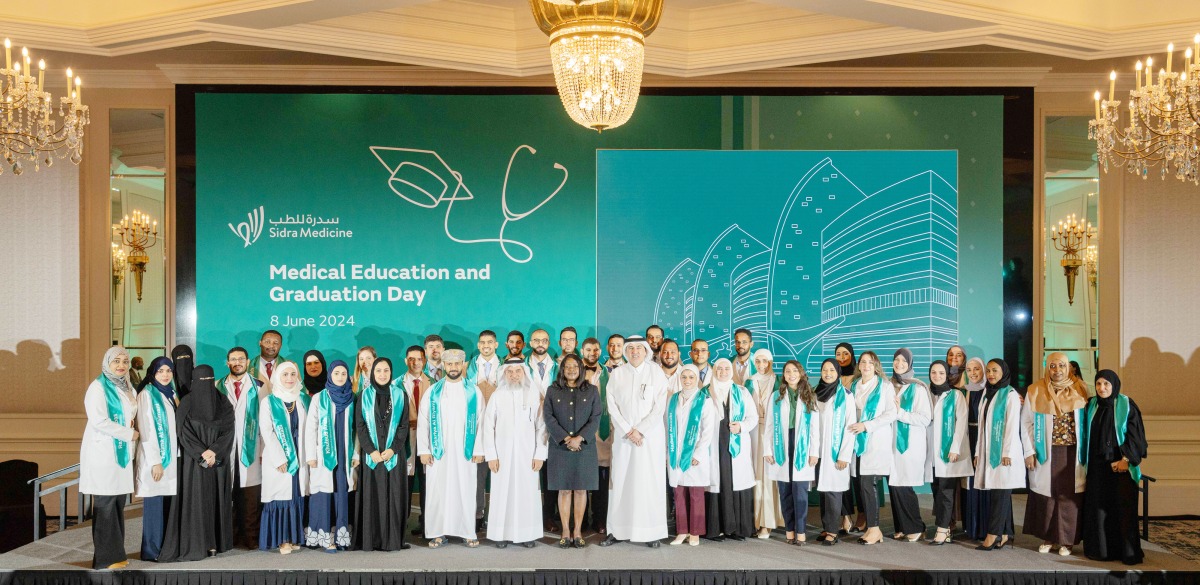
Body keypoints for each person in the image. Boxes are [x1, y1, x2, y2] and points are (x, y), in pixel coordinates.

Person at [158, 365, 235, 562]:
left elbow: (229, 430)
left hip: (217, 462)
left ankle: (215, 543)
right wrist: (202, 453)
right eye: (201, 380)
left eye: (209, 379)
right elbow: (183, 432)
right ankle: (199, 543)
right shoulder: (186, 403)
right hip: (194, 463)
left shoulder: (222, 401)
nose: (205, 384)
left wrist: (214, 451)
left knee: (216, 499)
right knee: (198, 501)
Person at [600, 335, 669, 548]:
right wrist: (629, 430)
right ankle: (617, 530)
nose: (635, 352)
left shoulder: (656, 372)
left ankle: (651, 532)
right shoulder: (617, 374)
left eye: (639, 348)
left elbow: (660, 406)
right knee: (621, 481)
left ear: (646, 350)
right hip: (624, 439)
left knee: (650, 484)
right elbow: (611, 405)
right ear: (626, 352)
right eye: (631, 349)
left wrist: (641, 430)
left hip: (649, 439)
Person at [1022, 352, 1089, 556]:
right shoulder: (1035, 390)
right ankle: (1049, 537)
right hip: (1046, 451)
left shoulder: (1081, 389)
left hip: (1072, 452)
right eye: (1053, 366)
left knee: (1069, 496)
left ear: (1068, 367)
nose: (1057, 370)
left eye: (1061, 366)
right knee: (1047, 495)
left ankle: (1067, 541)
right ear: (1047, 368)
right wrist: (1029, 451)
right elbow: (1026, 422)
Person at [418, 349, 485, 548]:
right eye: (449, 364)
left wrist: (479, 449)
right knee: (438, 491)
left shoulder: (474, 391)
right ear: (444, 366)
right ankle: (438, 532)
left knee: (465, 489)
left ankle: (467, 531)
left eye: (457, 364)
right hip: (439, 453)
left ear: (463, 365)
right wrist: (424, 450)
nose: (453, 368)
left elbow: (481, 420)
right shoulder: (433, 391)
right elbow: (423, 422)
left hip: (466, 452)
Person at [81, 346, 139, 569]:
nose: (121, 365)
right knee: (105, 507)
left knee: (117, 505)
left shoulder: (127, 387)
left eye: (125, 361)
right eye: (116, 361)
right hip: (104, 454)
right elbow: (98, 421)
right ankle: (105, 559)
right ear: (107, 363)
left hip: (122, 454)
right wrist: (129, 433)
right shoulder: (97, 387)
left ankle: (117, 555)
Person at [1082, 370, 1146, 565]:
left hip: (1120, 468)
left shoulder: (1126, 405)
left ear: (1115, 385)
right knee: (1098, 509)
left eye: (1106, 384)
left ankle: (1126, 552)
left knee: (1122, 510)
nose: (1102, 388)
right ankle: (1100, 551)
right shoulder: (1091, 405)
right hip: (1097, 468)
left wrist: (1126, 460)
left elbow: (1136, 436)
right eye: (1099, 384)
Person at [484, 358, 549, 548]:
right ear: (504, 373)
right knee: (502, 493)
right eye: (510, 372)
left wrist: (539, 454)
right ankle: (500, 534)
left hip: (527, 455)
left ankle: (527, 534)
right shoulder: (497, 395)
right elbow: (488, 426)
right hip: (501, 456)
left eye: (517, 371)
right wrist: (491, 455)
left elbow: (541, 426)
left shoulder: (533, 394)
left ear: (524, 373)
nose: (514, 375)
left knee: (526, 493)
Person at [545, 353, 601, 548]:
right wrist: (566, 438)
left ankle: (577, 530)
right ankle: (565, 531)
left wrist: (580, 438)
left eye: (575, 367)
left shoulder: (592, 390)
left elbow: (596, 417)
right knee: (564, 489)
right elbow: (549, 417)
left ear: (581, 369)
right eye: (567, 367)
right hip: (560, 447)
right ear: (562, 370)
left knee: (580, 489)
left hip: (584, 448)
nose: (571, 370)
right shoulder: (552, 390)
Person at [762, 359, 820, 545]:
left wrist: (814, 452)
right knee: (785, 491)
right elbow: (769, 426)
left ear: (801, 373)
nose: (791, 374)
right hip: (782, 443)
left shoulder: (810, 395)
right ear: (784, 376)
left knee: (800, 492)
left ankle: (801, 530)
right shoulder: (776, 396)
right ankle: (789, 529)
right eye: (787, 371)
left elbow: (814, 428)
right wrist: (768, 450)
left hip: (801, 444)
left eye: (795, 371)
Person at [356, 357, 411, 551]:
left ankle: (393, 539)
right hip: (372, 457)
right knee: (373, 497)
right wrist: (371, 451)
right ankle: (373, 540)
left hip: (393, 456)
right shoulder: (364, 395)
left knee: (393, 496)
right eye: (378, 370)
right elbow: (360, 426)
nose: (382, 374)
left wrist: (392, 449)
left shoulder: (400, 395)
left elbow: (404, 425)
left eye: (386, 370)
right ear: (372, 373)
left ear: (391, 372)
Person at [304, 360, 359, 552]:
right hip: (324, 455)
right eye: (336, 373)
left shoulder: (353, 398)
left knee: (341, 493)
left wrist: (357, 453)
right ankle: (324, 536)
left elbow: (357, 429)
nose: (340, 377)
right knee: (324, 494)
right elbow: (311, 428)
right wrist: (311, 455)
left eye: (344, 373)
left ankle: (341, 537)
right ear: (330, 375)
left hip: (345, 454)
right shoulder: (320, 398)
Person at [704, 358, 759, 541]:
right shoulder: (704, 393)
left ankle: (737, 529)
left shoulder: (742, 392)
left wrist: (741, 426)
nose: (723, 371)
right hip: (714, 444)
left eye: (726, 368)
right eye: (719, 368)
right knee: (717, 482)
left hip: (735, 443)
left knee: (736, 481)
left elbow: (753, 417)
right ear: (714, 371)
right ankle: (715, 529)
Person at [258, 361, 309, 554]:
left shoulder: (303, 399)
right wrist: (280, 458)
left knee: (295, 496)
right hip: (278, 459)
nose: (289, 378)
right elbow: (267, 431)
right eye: (285, 374)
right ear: (278, 377)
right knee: (280, 498)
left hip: (299, 457)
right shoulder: (269, 401)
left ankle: (294, 537)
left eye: (292, 374)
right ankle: (281, 540)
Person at [218, 346, 265, 549]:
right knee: (229, 495)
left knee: (250, 497)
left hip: (252, 447)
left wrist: (264, 450)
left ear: (248, 362)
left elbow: (266, 419)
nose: (237, 362)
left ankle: (251, 540)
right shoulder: (218, 386)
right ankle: (230, 539)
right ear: (227, 363)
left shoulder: (260, 386)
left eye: (241, 359)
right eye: (233, 359)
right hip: (226, 448)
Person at [973, 359, 1024, 551]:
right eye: (988, 371)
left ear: (1004, 372)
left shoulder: (1010, 395)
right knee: (1000, 491)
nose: (991, 374)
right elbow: (982, 427)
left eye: (995, 370)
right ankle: (1005, 533)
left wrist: (1007, 452)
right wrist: (978, 451)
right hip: (988, 450)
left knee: (1001, 492)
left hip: (1005, 453)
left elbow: (1012, 425)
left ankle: (992, 534)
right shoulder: (987, 393)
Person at [847, 350, 896, 545]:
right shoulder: (853, 385)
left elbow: (891, 413)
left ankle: (875, 529)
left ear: (876, 366)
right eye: (863, 362)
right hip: (857, 441)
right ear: (859, 365)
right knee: (862, 486)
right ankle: (871, 528)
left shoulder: (885, 386)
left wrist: (867, 426)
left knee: (870, 484)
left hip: (875, 440)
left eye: (870, 362)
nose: (866, 365)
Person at [135, 356, 179, 561]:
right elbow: (146, 428)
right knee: (154, 509)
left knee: (166, 507)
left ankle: (165, 549)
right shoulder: (147, 394)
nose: (165, 375)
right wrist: (155, 461)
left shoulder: (171, 394)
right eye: (160, 371)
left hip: (171, 459)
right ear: (153, 373)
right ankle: (151, 551)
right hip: (157, 461)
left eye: (168, 371)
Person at [667, 365, 715, 546]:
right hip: (676, 453)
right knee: (678, 492)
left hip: (695, 454)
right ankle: (682, 531)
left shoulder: (705, 400)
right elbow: (668, 425)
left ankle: (695, 531)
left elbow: (708, 430)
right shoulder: (673, 399)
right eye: (684, 377)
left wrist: (699, 453)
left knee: (695, 493)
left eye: (691, 377)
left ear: (697, 379)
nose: (687, 380)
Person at [927, 360, 972, 545]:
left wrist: (954, 448)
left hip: (948, 452)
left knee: (946, 491)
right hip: (931, 452)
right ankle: (942, 525)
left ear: (947, 375)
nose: (937, 376)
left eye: (941, 373)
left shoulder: (956, 395)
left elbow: (961, 424)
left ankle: (943, 529)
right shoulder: (927, 394)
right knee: (936, 490)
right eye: (934, 372)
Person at [889, 348, 931, 542]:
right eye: (896, 360)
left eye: (903, 361)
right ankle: (902, 527)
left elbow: (925, 418)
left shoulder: (919, 388)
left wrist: (900, 413)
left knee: (904, 485)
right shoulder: (889, 385)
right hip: (890, 443)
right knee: (894, 486)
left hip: (910, 444)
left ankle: (915, 527)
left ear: (910, 364)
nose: (899, 364)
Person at [814, 358, 856, 546]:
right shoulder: (816, 393)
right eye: (825, 370)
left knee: (833, 491)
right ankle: (826, 526)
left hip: (836, 452)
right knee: (823, 491)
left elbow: (850, 426)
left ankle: (832, 531)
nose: (828, 373)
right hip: (819, 451)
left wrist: (844, 455)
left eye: (832, 370)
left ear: (838, 373)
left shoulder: (846, 395)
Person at [748, 348, 784, 539]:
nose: (762, 365)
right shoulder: (748, 382)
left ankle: (767, 523)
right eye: (758, 361)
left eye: (765, 361)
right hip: (753, 433)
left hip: (773, 433)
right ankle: (753, 520)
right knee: (754, 475)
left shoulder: (779, 382)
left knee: (769, 476)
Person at [399, 346, 433, 536]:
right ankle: (401, 522)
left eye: (419, 359)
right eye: (411, 359)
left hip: (429, 440)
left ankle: (428, 523)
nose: (415, 362)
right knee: (405, 482)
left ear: (425, 361)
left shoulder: (435, 383)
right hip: (406, 440)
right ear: (406, 361)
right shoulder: (397, 384)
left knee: (428, 482)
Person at [582, 337, 613, 534]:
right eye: (588, 350)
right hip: (582, 434)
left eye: (595, 350)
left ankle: (601, 520)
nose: (592, 353)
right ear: (582, 351)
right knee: (582, 481)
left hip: (603, 435)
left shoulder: (609, 375)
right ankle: (582, 521)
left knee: (602, 481)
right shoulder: (573, 371)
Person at [961, 356, 990, 540]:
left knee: (983, 482)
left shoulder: (990, 391)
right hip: (968, 439)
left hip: (984, 438)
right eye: (969, 370)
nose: (972, 373)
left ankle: (985, 527)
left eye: (976, 369)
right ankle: (971, 527)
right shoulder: (966, 391)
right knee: (969, 484)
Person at [833, 342, 859, 533]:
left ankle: (864, 517)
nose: (842, 358)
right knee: (840, 476)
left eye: (845, 354)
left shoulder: (858, 379)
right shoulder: (832, 378)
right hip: (835, 435)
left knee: (856, 479)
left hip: (855, 433)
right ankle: (845, 516)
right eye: (838, 354)